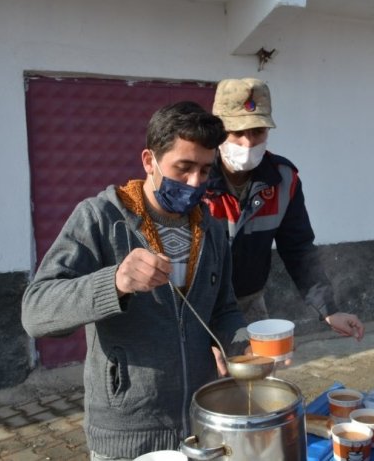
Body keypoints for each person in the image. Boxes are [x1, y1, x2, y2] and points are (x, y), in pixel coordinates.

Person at [21, 101, 248, 460]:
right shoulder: (99, 218)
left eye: (205, 171)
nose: (194, 183)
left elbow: (224, 308)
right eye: (183, 167)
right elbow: (36, 312)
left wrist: (242, 346)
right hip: (127, 434)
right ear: (149, 161)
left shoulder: (213, 227)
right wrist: (115, 282)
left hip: (202, 427)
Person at [205, 77, 365, 340]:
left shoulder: (282, 179)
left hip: (249, 304)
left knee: (260, 376)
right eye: (237, 132)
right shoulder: (194, 179)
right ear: (218, 131)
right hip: (198, 308)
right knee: (205, 379)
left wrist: (328, 310)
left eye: (258, 131)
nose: (248, 143)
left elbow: (298, 249)